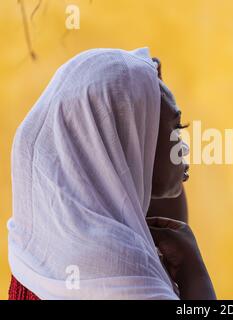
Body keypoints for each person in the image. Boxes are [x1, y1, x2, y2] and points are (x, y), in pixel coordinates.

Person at [7, 47, 215, 300]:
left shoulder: (34, 247)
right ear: (126, 140)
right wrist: (195, 274)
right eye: (176, 127)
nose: (183, 146)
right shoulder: (127, 277)